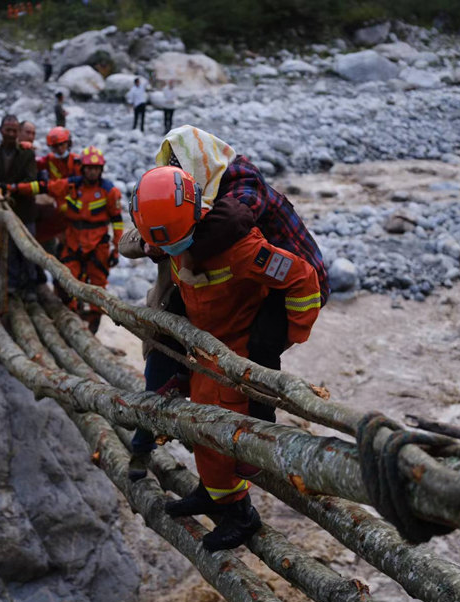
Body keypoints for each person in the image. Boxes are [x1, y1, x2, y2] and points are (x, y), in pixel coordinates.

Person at [130, 164, 322, 551]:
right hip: (204, 350)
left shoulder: (241, 247)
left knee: (225, 432)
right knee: (203, 428)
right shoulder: (172, 234)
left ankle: (240, 515)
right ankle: (214, 492)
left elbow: (302, 279)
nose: (165, 253)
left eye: (169, 245)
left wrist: (285, 336)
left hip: (235, 352)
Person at [123, 125, 330, 481]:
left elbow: (234, 222)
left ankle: (259, 437)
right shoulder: (181, 191)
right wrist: (152, 240)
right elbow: (132, 237)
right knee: (168, 332)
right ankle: (159, 421)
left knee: (259, 352)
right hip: (237, 284)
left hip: (286, 280)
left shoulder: (238, 181)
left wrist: (179, 239)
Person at [46, 146, 122, 333]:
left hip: (98, 246)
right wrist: (13, 188)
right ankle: (70, 320)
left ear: (101, 169)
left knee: (98, 289)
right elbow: (45, 187)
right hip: (73, 242)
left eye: (96, 168)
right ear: (82, 168)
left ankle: (92, 328)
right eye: (88, 168)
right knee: (65, 281)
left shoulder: (109, 191)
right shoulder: (71, 185)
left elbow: (117, 221)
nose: (92, 171)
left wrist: (117, 248)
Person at [0, 114, 41, 294]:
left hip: (25, 210)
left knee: (29, 251)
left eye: (14, 131)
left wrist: (10, 189)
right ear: (1, 131)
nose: (11, 134)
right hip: (3, 212)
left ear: (18, 132)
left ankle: (30, 289)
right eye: (8, 130)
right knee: (8, 250)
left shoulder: (27, 154)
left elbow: (31, 179)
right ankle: (10, 287)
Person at [34, 126, 80, 247]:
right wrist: (26, 148)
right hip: (57, 207)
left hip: (76, 207)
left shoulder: (78, 161)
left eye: (62, 145)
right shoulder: (49, 160)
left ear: (68, 143)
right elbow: (34, 163)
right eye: (55, 146)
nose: (59, 149)